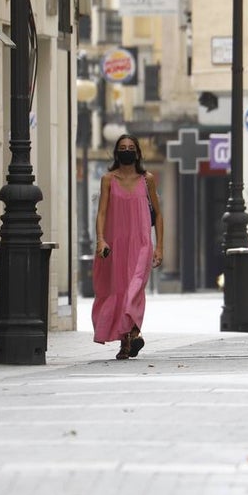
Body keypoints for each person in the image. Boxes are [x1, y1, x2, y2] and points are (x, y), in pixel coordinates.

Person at [91, 133, 163, 360]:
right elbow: (102, 213)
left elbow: (158, 214)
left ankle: (133, 332)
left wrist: (159, 247)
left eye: (131, 147)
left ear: (138, 153)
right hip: (115, 244)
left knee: (134, 289)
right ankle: (127, 341)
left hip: (141, 243)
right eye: (122, 148)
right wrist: (100, 239)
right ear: (116, 152)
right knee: (119, 291)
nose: (127, 151)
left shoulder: (147, 179)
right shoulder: (108, 180)